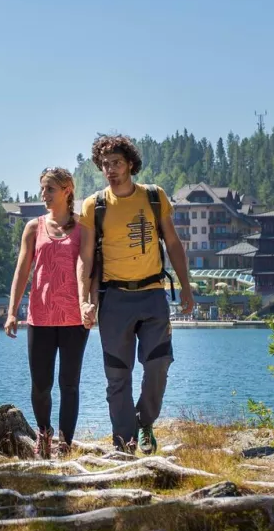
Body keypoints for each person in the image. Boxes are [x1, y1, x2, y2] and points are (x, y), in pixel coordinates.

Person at [77, 134, 194, 455]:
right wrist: (84, 300)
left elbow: (173, 243)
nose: (110, 170)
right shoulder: (94, 205)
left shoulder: (155, 198)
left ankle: (144, 423)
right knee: (118, 376)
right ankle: (124, 443)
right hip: (114, 301)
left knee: (158, 365)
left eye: (116, 163)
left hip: (153, 294)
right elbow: (85, 257)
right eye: (105, 165)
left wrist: (185, 286)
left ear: (130, 164)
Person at [4, 166, 87, 457]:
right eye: (42, 189)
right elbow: (22, 271)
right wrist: (12, 311)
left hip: (74, 318)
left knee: (69, 384)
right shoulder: (34, 227)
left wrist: (90, 304)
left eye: (49, 189)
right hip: (39, 317)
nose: (44, 195)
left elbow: (89, 269)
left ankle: (65, 443)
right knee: (41, 384)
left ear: (67, 191)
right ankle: (44, 434)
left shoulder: (82, 228)